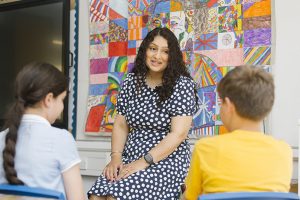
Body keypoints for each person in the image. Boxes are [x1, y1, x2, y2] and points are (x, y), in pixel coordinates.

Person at [88, 27, 199, 200]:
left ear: (172, 56)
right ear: (145, 50)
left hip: (166, 161)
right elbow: (120, 124)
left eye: (165, 51)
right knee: (97, 195)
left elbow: (178, 134)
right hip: (130, 156)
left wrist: (143, 162)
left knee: (115, 197)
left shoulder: (182, 85)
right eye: (153, 49)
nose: (157, 56)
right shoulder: (131, 81)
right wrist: (116, 158)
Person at [183, 66, 293, 200]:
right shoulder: (283, 151)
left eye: (221, 102)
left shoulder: (205, 148)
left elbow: (190, 197)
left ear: (228, 106)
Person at [0, 62, 85, 200]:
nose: (62, 106)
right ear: (49, 99)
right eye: (62, 100)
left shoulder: (2, 137)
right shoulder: (62, 138)